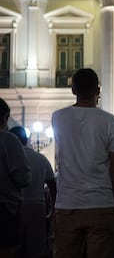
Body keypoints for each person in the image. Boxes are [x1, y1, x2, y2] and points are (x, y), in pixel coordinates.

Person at [52, 68, 114, 258]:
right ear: (98, 90)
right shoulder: (111, 121)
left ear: (73, 90)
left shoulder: (58, 118)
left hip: (67, 204)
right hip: (101, 203)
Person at [9, 125, 56, 258]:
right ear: (27, 139)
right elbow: (52, 185)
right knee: (36, 247)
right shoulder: (41, 158)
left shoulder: (10, 157)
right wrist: (53, 209)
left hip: (14, 207)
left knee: (14, 246)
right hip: (37, 207)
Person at [0, 98, 31, 258]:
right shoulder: (10, 140)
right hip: (6, 208)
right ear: (5, 118)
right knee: (7, 249)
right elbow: (23, 178)